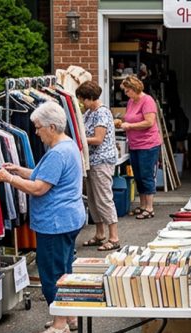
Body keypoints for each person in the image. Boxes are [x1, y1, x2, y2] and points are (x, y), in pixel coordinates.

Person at [0, 101, 85, 333]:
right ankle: (69, 316)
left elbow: (38, 188)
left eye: (38, 127)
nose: (35, 132)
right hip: (68, 219)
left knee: (52, 274)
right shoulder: (68, 145)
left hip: (55, 223)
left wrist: (8, 179)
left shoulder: (56, 153)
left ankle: (59, 324)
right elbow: (44, 176)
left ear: (51, 127)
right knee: (65, 270)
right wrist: (18, 170)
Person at [75, 80, 120, 251]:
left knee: (103, 198)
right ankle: (100, 233)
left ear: (89, 98)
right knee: (93, 200)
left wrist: (79, 140)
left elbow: (98, 139)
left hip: (102, 161)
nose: (81, 103)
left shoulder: (102, 113)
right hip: (91, 161)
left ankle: (114, 237)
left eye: (82, 100)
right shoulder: (89, 113)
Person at [115, 75, 162, 220]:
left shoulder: (147, 101)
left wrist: (130, 126)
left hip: (148, 144)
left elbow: (149, 122)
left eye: (127, 90)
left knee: (146, 175)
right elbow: (129, 118)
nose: (126, 93)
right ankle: (142, 205)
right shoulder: (131, 101)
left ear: (135, 89)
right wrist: (121, 122)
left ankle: (149, 207)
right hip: (134, 144)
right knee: (138, 175)